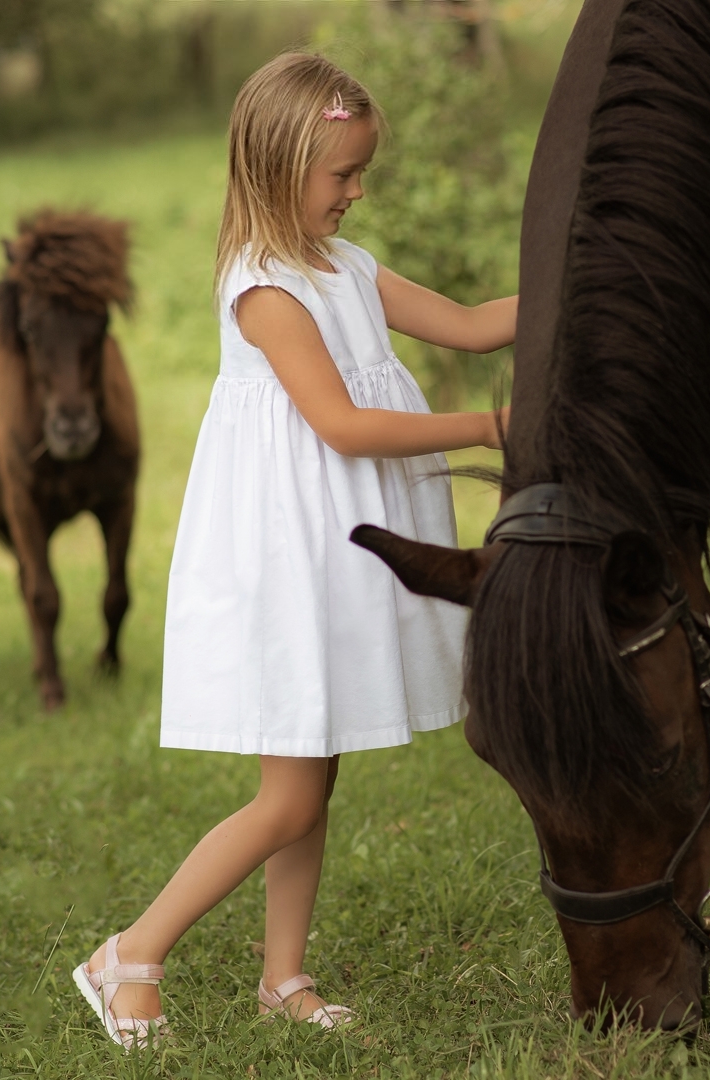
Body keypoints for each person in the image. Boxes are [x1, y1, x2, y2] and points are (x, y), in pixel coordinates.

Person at [74, 51, 517, 1050]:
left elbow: (473, 323)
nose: (358, 193)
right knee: (289, 792)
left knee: (314, 776)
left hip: (337, 550)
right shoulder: (266, 286)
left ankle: (283, 978)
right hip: (293, 556)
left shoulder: (346, 269)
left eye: (363, 172)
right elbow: (344, 425)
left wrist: (583, 288)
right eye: (343, 176)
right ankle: (128, 955)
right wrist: (490, 429)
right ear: (278, 168)